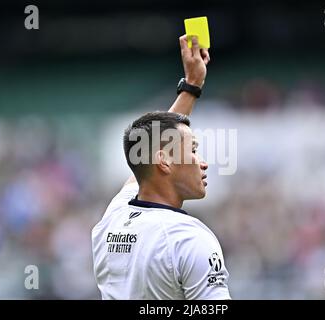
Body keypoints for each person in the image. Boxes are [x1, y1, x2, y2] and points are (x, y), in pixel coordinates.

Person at [91, 35, 231, 300]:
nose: (203, 161)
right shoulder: (189, 238)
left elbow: (146, 161)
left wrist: (191, 87)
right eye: (193, 150)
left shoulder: (114, 217)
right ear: (164, 162)